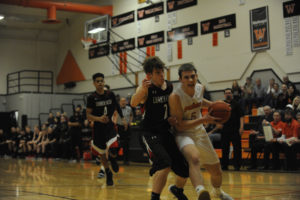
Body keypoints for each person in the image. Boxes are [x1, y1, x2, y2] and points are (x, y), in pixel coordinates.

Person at [169, 63, 233, 200]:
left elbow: (198, 100)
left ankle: (217, 192)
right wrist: (204, 119)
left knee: (216, 170)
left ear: (197, 76)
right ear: (180, 79)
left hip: (199, 132)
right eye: (186, 77)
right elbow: (179, 126)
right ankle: (201, 191)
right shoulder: (175, 96)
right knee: (194, 158)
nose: (190, 80)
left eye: (193, 76)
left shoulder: (200, 88)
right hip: (183, 134)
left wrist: (212, 105)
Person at [131, 57, 189, 200]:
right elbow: (133, 103)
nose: (162, 75)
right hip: (149, 133)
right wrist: (141, 91)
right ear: (149, 75)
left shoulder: (169, 86)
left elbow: (172, 107)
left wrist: (172, 117)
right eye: (158, 72)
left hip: (164, 131)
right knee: (165, 163)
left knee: (183, 168)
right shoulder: (145, 88)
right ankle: (155, 197)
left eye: (162, 71)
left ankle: (177, 190)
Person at [86, 73, 126, 186]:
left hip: (109, 126)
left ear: (104, 82)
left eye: (101, 81)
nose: (100, 83)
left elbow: (117, 106)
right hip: (98, 128)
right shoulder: (91, 98)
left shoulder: (110, 94)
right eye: (97, 81)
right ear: (94, 83)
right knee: (102, 153)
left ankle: (113, 159)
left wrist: (122, 118)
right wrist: (98, 118)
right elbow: (88, 115)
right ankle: (108, 172)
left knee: (114, 146)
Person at [221, 88, 244, 171]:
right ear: (224, 95)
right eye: (226, 93)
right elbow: (218, 115)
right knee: (225, 148)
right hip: (225, 129)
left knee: (237, 148)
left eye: (229, 93)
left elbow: (241, 116)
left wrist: (241, 127)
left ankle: (237, 165)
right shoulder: (222, 104)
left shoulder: (236, 104)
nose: (228, 94)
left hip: (235, 129)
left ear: (232, 94)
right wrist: (218, 123)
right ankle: (224, 165)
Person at [248, 105, 273, 170]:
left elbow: (270, 131)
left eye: (267, 110)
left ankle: (266, 166)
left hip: (268, 139)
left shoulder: (272, 118)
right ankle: (253, 165)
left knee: (267, 147)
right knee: (253, 147)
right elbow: (257, 128)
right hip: (260, 137)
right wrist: (255, 132)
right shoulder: (261, 118)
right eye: (265, 110)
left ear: (270, 110)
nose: (266, 111)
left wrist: (260, 134)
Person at [115, 97, 133, 165]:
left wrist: (130, 122)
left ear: (126, 102)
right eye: (122, 101)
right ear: (119, 102)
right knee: (118, 144)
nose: (123, 102)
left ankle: (126, 160)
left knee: (126, 144)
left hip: (127, 128)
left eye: (124, 101)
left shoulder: (129, 108)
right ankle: (115, 159)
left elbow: (131, 115)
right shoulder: (117, 109)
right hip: (119, 127)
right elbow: (115, 117)